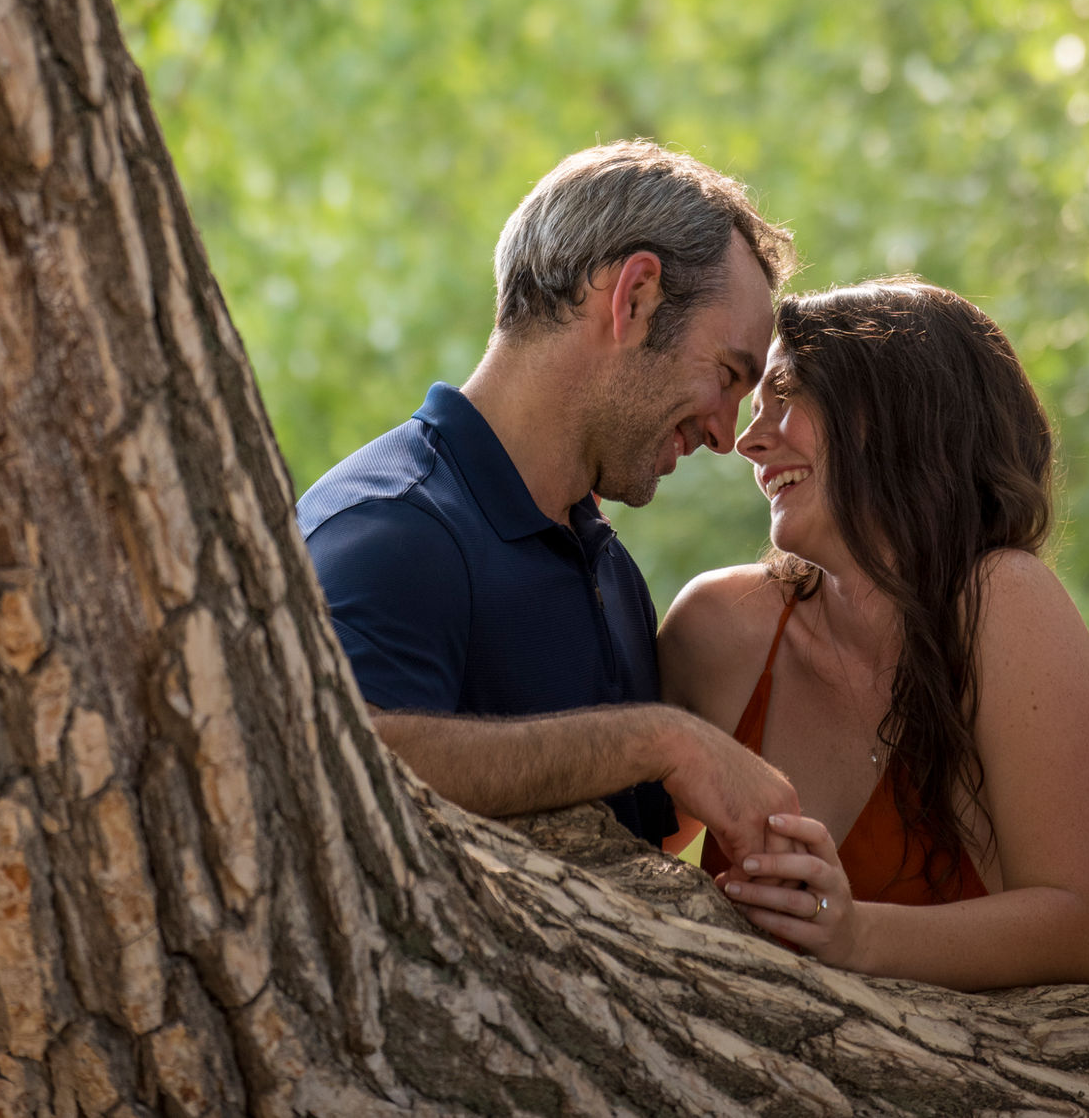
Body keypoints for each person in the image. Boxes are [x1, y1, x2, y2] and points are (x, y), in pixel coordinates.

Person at [298, 139, 801, 863]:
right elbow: (338, 760)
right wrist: (656, 739)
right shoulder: (391, 525)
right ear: (635, 296)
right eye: (727, 373)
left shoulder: (615, 576)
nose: (727, 433)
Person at [659, 280, 1089, 990]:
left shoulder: (1003, 601)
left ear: (896, 408)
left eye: (786, 393)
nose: (748, 441)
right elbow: (608, 854)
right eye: (754, 408)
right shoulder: (718, 628)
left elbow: (1074, 927)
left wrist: (853, 932)